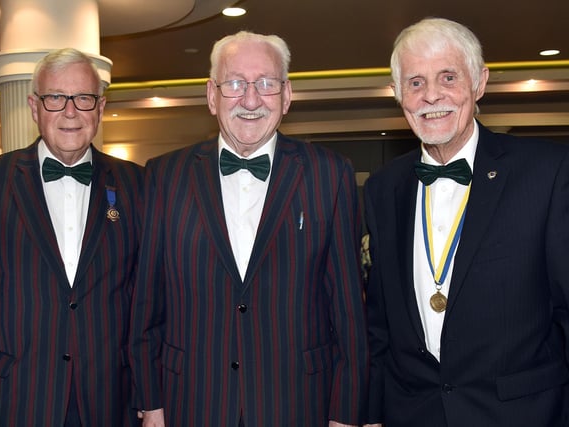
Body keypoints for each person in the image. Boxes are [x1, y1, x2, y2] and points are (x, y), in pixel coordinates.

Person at [128, 31, 368, 426]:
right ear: (211, 95)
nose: (251, 100)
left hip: (299, 403)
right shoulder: (164, 175)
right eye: (236, 83)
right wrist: (150, 401)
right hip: (191, 401)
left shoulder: (330, 173)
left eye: (266, 84)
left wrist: (345, 412)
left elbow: (347, 310)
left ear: (287, 95)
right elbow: (147, 303)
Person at [363, 17, 569, 427]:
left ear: (479, 83)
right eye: (415, 82)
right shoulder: (382, 188)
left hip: (523, 414)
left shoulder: (547, 173)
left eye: (448, 77)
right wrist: (370, 410)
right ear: (397, 93)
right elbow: (380, 326)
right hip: (412, 414)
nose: (431, 95)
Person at [0, 48, 143, 427]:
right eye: (55, 98)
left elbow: (145, 298)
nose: (70, 111)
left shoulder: (138, 184)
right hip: (12, 393)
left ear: (100, 106)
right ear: (34, 106)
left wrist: (150, 392)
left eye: (83, 98)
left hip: (110, 396)